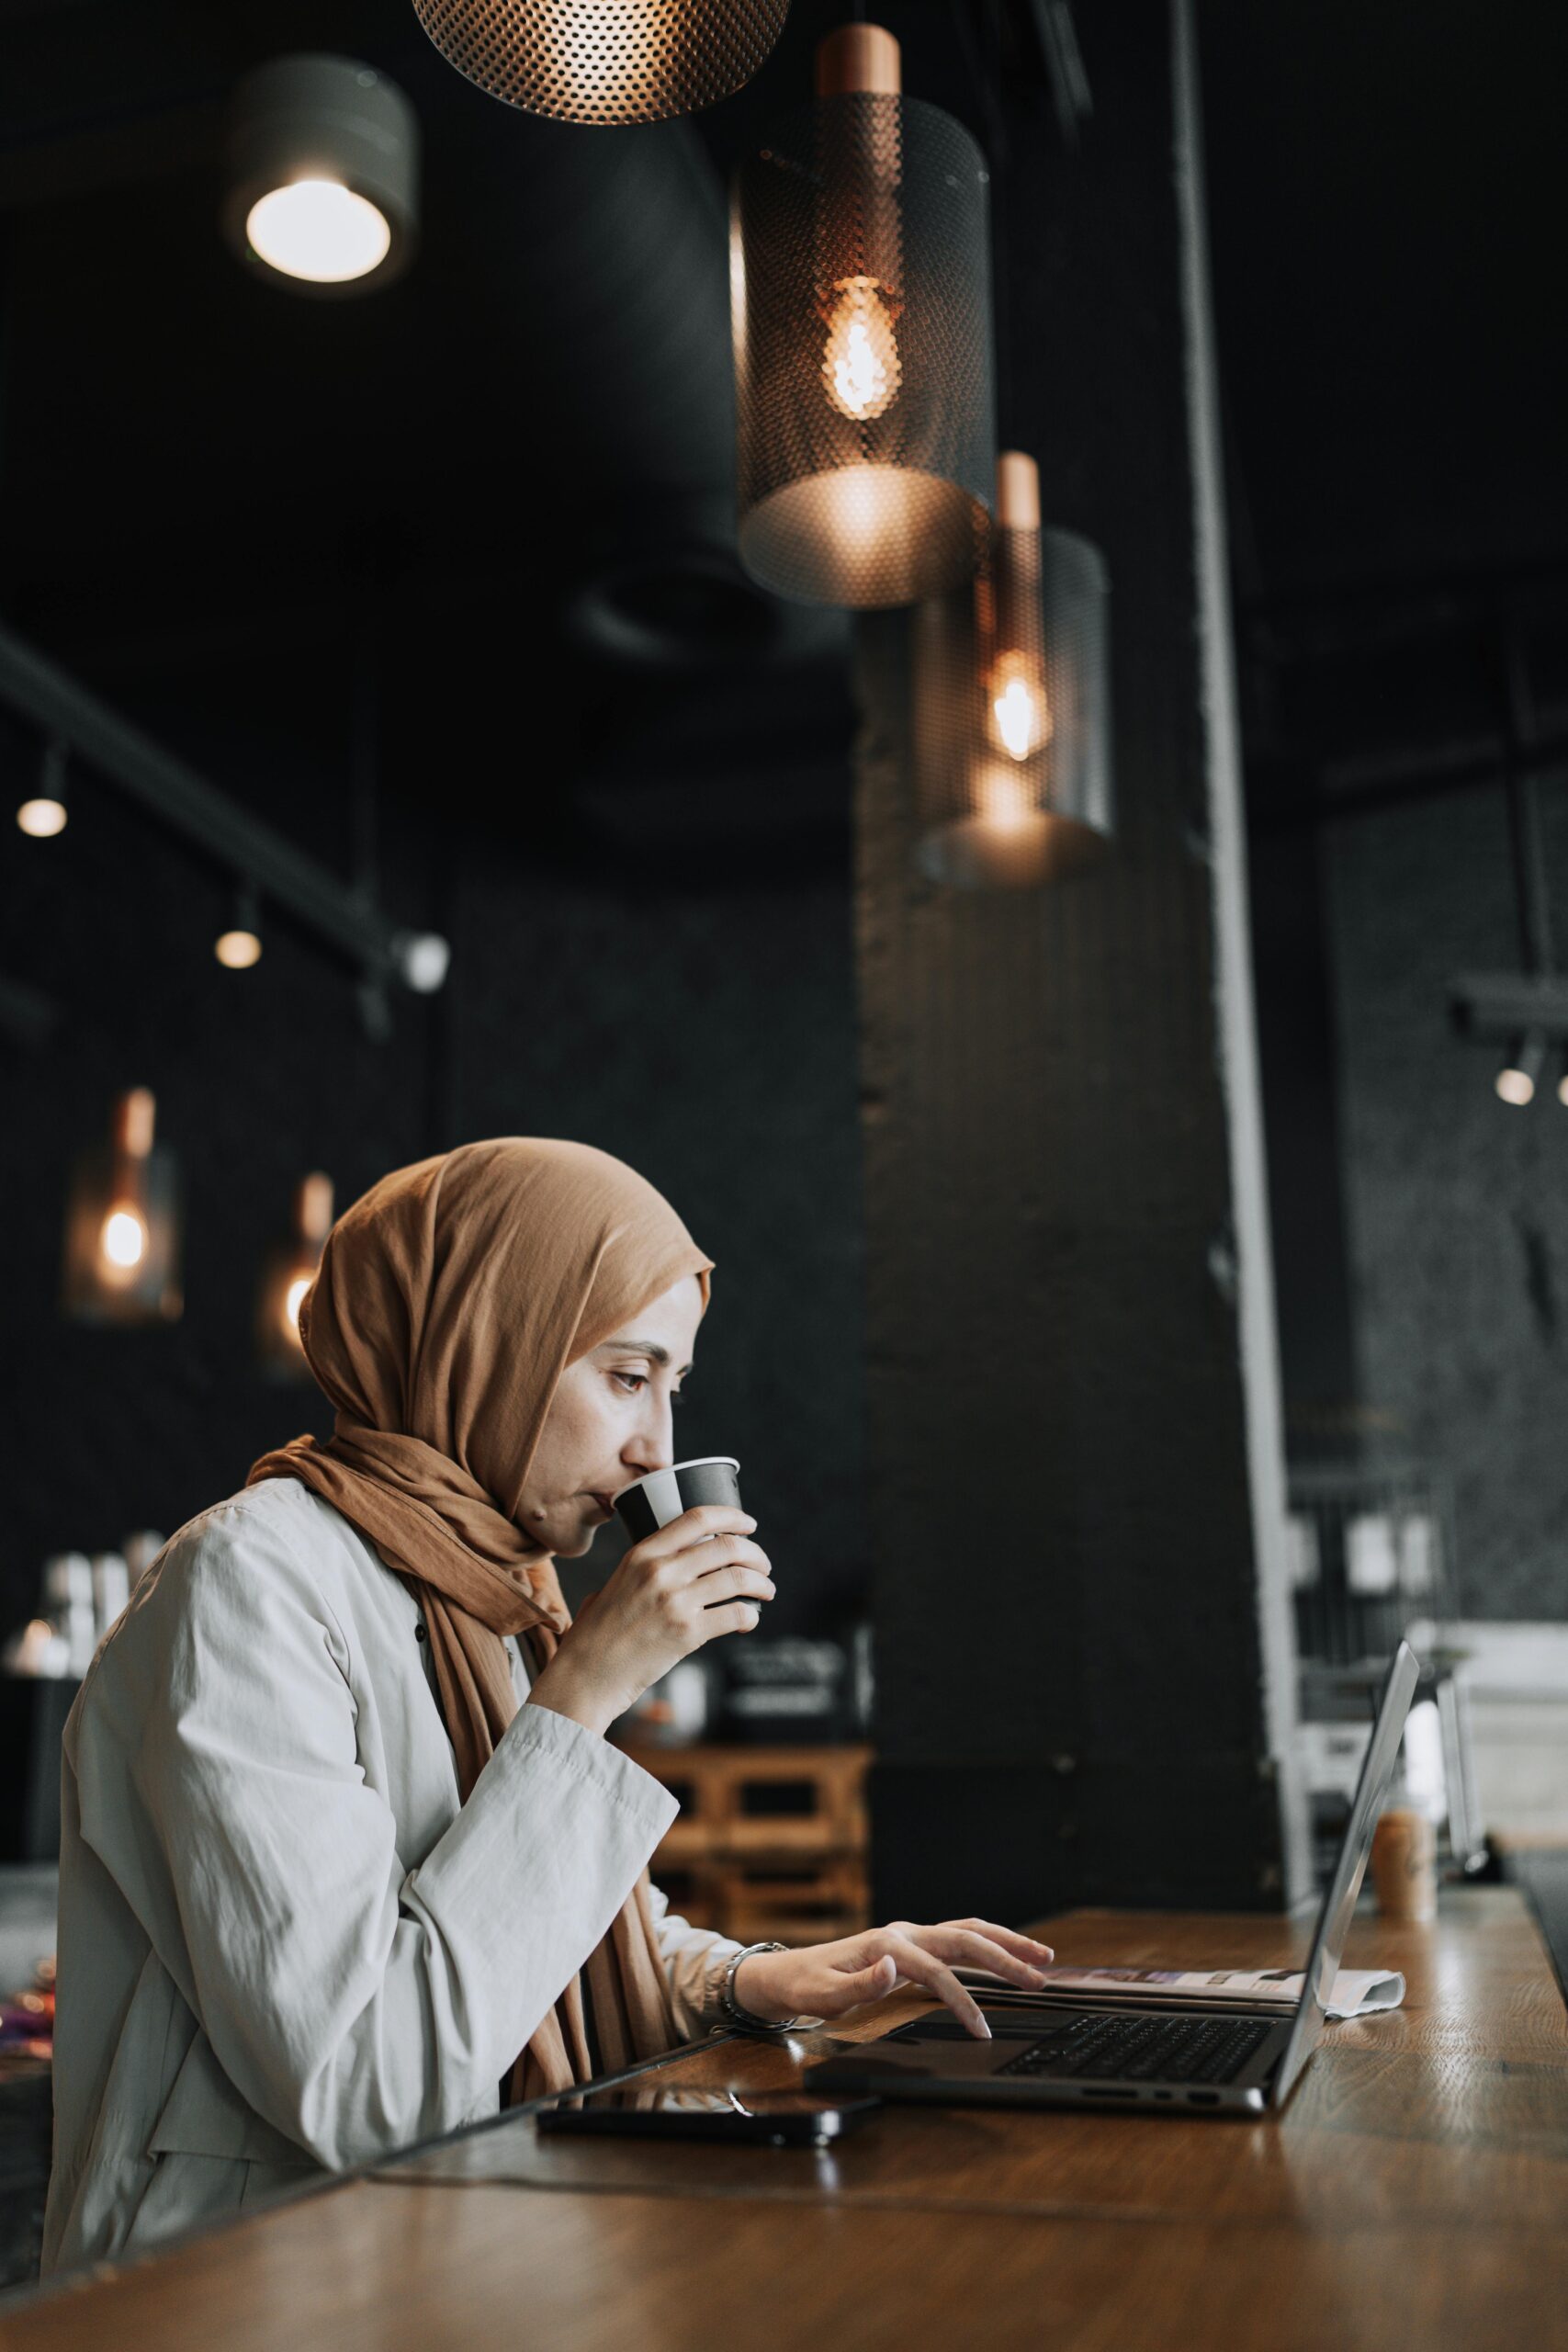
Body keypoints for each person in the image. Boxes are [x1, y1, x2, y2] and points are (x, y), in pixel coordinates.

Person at [42, 1138, 1052, 2272]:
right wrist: (585, 1696)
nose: (653, 1447)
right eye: (627, 1376)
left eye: (675, 1388)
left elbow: (547, 1941)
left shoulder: (493, 1583)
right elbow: (372, 2082)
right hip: (249, 2282)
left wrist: (751, 1977)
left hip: (462, 2251)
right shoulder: (249, 1583)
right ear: (489, 1340)